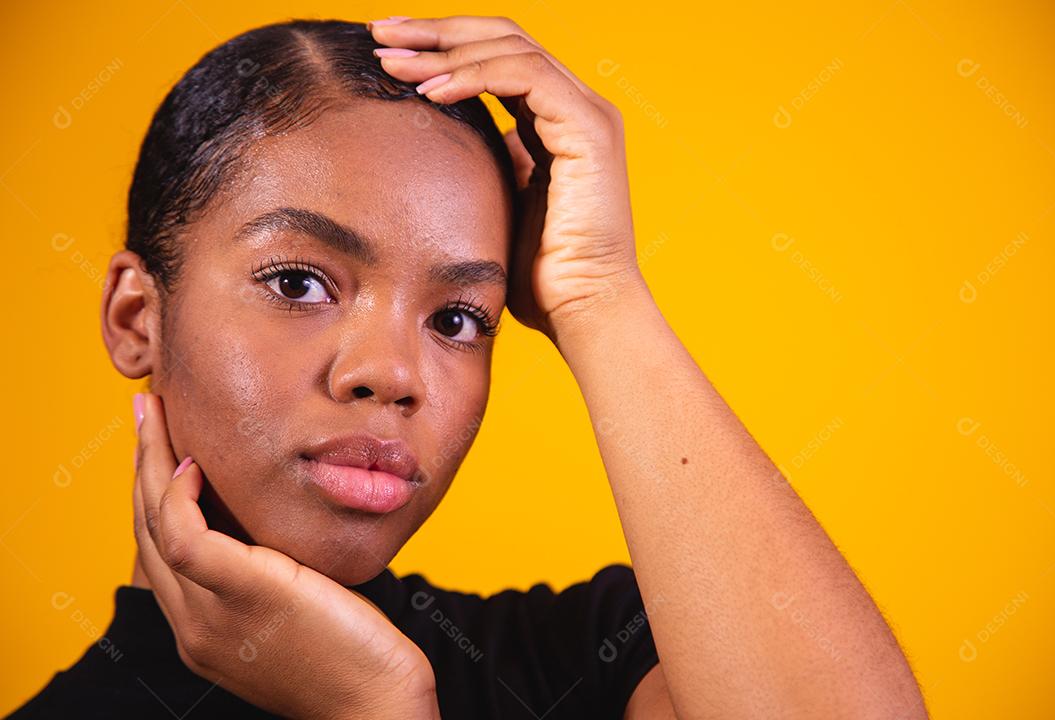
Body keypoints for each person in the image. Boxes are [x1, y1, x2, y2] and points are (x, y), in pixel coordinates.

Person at [8, 14, 928, 720]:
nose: (390, 373)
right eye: (298, 282)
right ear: (138, 318)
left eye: (456, 317)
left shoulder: (583, 667)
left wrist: (598, 292)